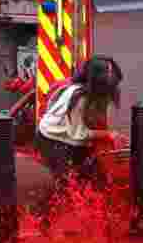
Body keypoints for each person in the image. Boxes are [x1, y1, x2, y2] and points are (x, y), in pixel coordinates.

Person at [34, 55, 123, 232]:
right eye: (107, 73)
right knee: (67, 182)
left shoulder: (96, 93)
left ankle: (103, 223)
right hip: (52, 139)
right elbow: (79, 134)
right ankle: (41, 218)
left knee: (97, 178)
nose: (111, 78)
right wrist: (108, 135)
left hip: (73, 138)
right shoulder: (78, 97)